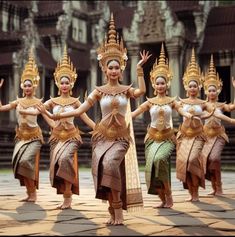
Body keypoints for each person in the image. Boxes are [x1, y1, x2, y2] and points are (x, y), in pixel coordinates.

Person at [38, 14, 151, 225]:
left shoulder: (127, 90)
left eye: (117, 67)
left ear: (121, 69)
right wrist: (57, 114)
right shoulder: (99, 91)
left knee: (110, 164)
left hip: (120, 139)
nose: (114, 71)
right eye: (111, 67)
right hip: (102, 137)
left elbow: (142, 91)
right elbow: (80, 109)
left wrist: (140, 70)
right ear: (104, 69)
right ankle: (111, 207)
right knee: (102, 169)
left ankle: (118, 210)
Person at [27, 46, 95, 210]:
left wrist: (99, 129)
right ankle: (66, 197)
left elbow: (85, 118)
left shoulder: (75, 102)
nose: (64, 85)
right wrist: (49, 122)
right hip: (57, 137)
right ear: (58, 83)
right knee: (58, 164)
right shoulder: (53, 101)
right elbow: (39, 110)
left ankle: (69, 195)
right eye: (62, 82)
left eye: (67, 82)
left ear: (71, 83)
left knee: (64, 159)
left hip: (72, 137)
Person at [131, 43, 194, 208]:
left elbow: (181, 110)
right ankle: (162, 198)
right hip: (151, 138)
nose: (160, 86)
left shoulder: (172, 101)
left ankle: (169, 195)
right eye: (157, 83)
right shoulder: (149, 102)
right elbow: (134, 113)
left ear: (167, 84)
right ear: (154, 84)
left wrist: (187, 114)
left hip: (167, 138)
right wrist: (119, 117)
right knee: (151, 169)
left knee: (160, 161)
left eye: (163, 83)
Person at [0, 49, 45, 202]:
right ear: (22, 86)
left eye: (30, 85)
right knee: (18, 162)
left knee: (26, 161)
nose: (27, 88)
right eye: (25, 85)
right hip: (21, 137)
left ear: (34, 86)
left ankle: (33, 193)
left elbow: (36, 114)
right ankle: (29, 192)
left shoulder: (39, 102)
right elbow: (1, 108)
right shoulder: (18, 102)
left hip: (35, 137)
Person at [176, 48, 214, 202]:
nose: (192, 88)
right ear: (186, 87)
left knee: (192, 160)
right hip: (184, 136)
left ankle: (196, 192)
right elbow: (177, 109)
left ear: (199, 87)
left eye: (195, 86)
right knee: (185, 163)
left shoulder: (203, 103)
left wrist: (202, 115)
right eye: (190, 86)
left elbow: (212, 112)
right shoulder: (181, 102)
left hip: (198, 135)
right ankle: (192, 193)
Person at [201, 55, 235, 196]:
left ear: (218, 91)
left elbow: (232, 107)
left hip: (219, 135)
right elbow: (194, 114)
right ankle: (214, 187)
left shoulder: (221, 105)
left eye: (214, 90)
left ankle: (219, 186)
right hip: (205, 136)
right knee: (206, 161)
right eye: (209, 90)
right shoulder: (202, 105)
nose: (212, 92)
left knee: (214, 158)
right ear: (206, 91)